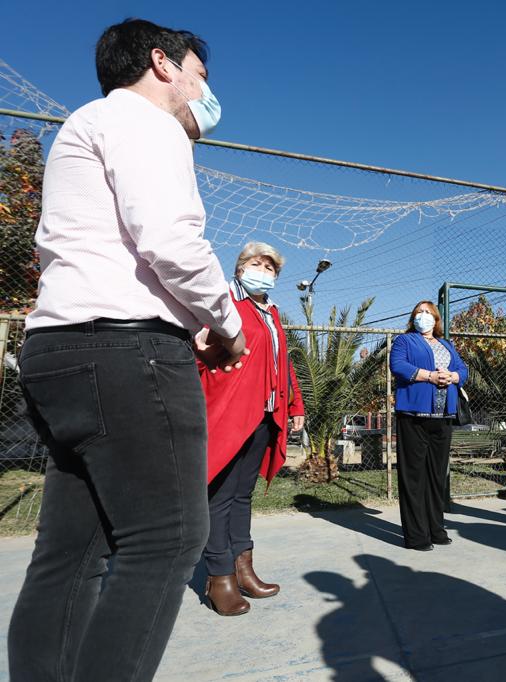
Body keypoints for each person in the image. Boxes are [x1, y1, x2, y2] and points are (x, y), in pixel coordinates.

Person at [8, 19, 248, 681]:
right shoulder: (147, 123)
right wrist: (227, 323)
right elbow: (170, 240)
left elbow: (117, 253)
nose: (205, 90)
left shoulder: (83, 127)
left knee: (69, 554)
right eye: (200, 74)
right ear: (161, 63)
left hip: (61, 350)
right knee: (167, 539)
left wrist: (184, 314)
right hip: (125, 355)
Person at [196, 243, 305, 616]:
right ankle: (219, 576)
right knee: (220, 496)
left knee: (243, 494)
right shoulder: (224, 302)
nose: (264, 271)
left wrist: (294, 404)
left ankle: (244, 569)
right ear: (241, 267)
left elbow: (282, 363)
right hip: (230, 413)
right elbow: (200, 350)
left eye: (270, 267)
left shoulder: (271, 312)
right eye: (256, 264)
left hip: (264, 413)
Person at [388, 301, 468, 551]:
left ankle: (436, 528)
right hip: (413, 415)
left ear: (436, 319)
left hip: (442, 417)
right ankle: (416, 535)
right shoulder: (405, 341)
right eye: (419, 313)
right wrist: (430, 376)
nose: (423, 316)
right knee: (414, 476)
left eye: (428, 313)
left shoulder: (446, 344)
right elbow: (398, 366)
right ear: (413, 318)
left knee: (436, 476)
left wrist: (453, 376)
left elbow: (462, 369)